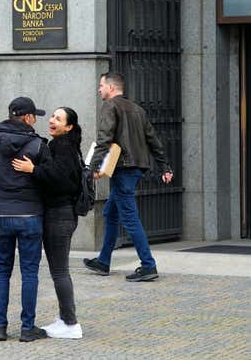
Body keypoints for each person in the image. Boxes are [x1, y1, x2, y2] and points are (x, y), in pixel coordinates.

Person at [0, 97, 51, 343]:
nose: (35, 119)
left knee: (1, 271)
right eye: (34, 115)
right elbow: (48, 178)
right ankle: (27, 328)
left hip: (1, 214)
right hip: (30, 214)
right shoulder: (37, 145)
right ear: (27, 118)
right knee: (29, 273)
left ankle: (0, 328)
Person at [83, 72, 173, 282]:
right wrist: (165, 167)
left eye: (101, 85)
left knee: (130, 218)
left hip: (123, 168)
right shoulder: (138, 110)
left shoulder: (110, 106)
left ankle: (148, 265)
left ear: (111, 88)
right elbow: (153, 141)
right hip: (135, 168)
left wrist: (92, 168)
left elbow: (104, 139)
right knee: (110, 213)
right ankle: (103, 261)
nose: (99, 89)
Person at [12, 107, 84, 339]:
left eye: (58, 119)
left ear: (69, 127)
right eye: (53, 117)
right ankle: (65, 318)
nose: (52, 121)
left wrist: (33, 169)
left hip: (59, 215)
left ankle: (71, 324)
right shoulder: (65, 144)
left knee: (60, 271)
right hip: (61, 214)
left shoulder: (63, 145)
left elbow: (61, 179)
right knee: (59, 270)